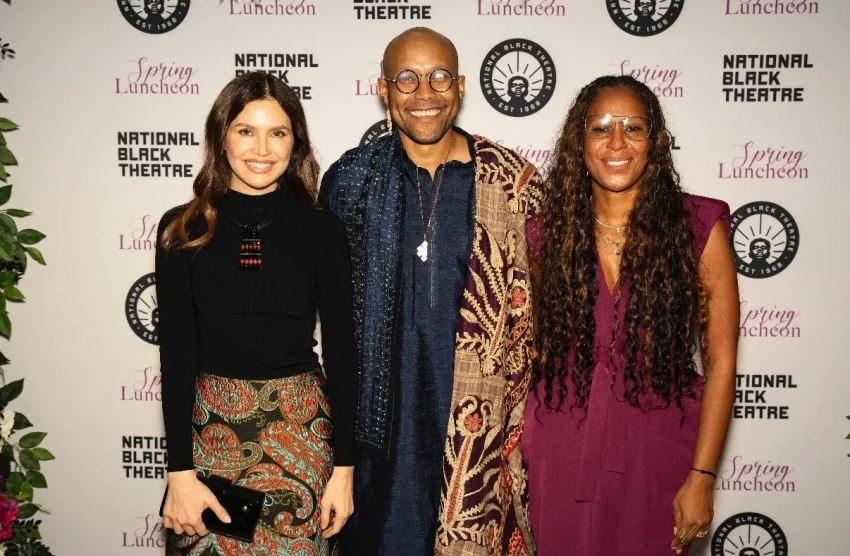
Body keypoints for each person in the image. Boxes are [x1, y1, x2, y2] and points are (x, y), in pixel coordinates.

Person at [320, 27, 543, 556]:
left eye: (439, 77)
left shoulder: (512, 184)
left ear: (461, 86)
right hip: (378, 454)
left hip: (480, 446)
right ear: (384, 90)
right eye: (407, 79)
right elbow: (327, 321)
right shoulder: (350, 183)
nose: (424, 93)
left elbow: (544, 322)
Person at [523, 75, 738, 556]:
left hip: (660, 446)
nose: (617, 142)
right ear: (579, 141)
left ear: (654, 141)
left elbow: (722, 361)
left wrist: (702, 476)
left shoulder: (699, 227)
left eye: (633, 128)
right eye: (600, 128)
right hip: (561, 443)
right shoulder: (542, 235)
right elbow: (531, 352)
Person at [156, 71, 355, 555]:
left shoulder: (322, 231)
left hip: (303, 440)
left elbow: (343, 355)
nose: (262, 149)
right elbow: (176, 356)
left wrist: (344, 470)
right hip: (208, 444)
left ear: (295, 143)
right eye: (246, 130)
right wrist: (179, 473)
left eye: (277, 132)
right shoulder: (181, 229)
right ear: (221, 136)